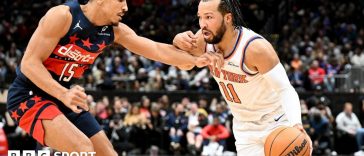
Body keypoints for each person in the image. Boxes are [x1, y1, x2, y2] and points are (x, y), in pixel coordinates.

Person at [6, 0, 223, 155]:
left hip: (64, 98)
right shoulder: (63, 15)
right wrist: (63, 93)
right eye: (120, 0)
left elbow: (156, 49)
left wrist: (195, 60)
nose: (126, 7)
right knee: (82, 149)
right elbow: (28, 63)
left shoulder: (115, 31)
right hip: (29, 95)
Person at [173, 0, 312, 155]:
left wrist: (296, 124)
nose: (202, 24)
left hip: (275, 121)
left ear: (227, 18)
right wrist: (177, 41)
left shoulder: (255, 48)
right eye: (200, 17)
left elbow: (285, 89)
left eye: (209, 17)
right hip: (244, 127)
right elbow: (181, 63)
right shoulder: (204, 40)